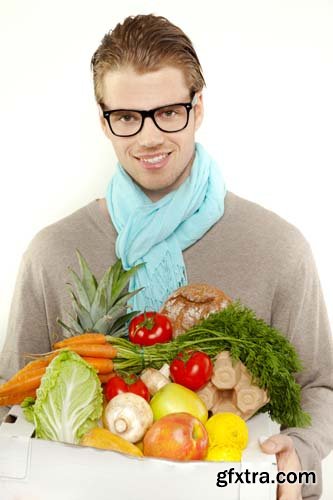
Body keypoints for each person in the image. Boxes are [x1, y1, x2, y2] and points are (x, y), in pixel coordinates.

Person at [0, 14, 332, 499]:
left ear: (198, 109)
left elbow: (321, 387)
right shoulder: (53, 253)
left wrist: (299, 458)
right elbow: (11, 395)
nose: (149, 138)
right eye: (128, 117)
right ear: (104, 121)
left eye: (169, 112)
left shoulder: (278, 248)